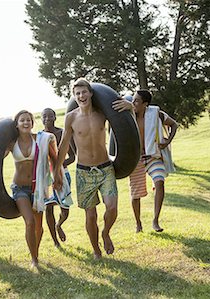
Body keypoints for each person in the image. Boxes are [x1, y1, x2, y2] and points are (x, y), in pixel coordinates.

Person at [54, 78, 133, 259]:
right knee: (90, 216)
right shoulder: (71, 118)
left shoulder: (102, 113)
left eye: (84, 92)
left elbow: (126, 123)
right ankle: (96, 250)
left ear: (90, 93)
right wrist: (57, 171)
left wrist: (130, 107)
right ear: (74, 96)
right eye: (77, 93)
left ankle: (105, 233)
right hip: (83, 172)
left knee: (112, 208)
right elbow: (64, 145)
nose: (81, 96)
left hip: (105, 169)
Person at [0, 110, 61, 268]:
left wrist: (57, 177)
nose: (26, 123)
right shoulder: (12, 144)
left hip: (38, 187)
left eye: (28, 120)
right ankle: (34, 259)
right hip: (20, 189)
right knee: (30, 222)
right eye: (22, 120)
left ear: (32, 123)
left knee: (39, 226)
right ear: (17, 124)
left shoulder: (40, 139)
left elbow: (54, 158)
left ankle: (36, 253)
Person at [128, 90, 178, 233]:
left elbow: (174, 124)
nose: (133, 103)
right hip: (136, 158)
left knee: (159, 182)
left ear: (145, 104)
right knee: (136, 193)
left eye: (137, 101)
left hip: (152, 156)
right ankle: (138, 224)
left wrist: (168, 141)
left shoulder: (156, 114)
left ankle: (155, 220)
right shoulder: (129, 115)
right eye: (133, 100)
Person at [41, 108, 76, 247]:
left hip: (63, 174)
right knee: (48, 208)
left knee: (65, 210)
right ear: (41, 119)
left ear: (55, 117)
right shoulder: (39, 136)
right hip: (46, 178)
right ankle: (55, 241)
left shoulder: (63, 133)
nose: (47, 119)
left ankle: (59, 225)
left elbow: (73, 157)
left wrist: (58, 166)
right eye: (44, 116)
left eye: (50, 116)